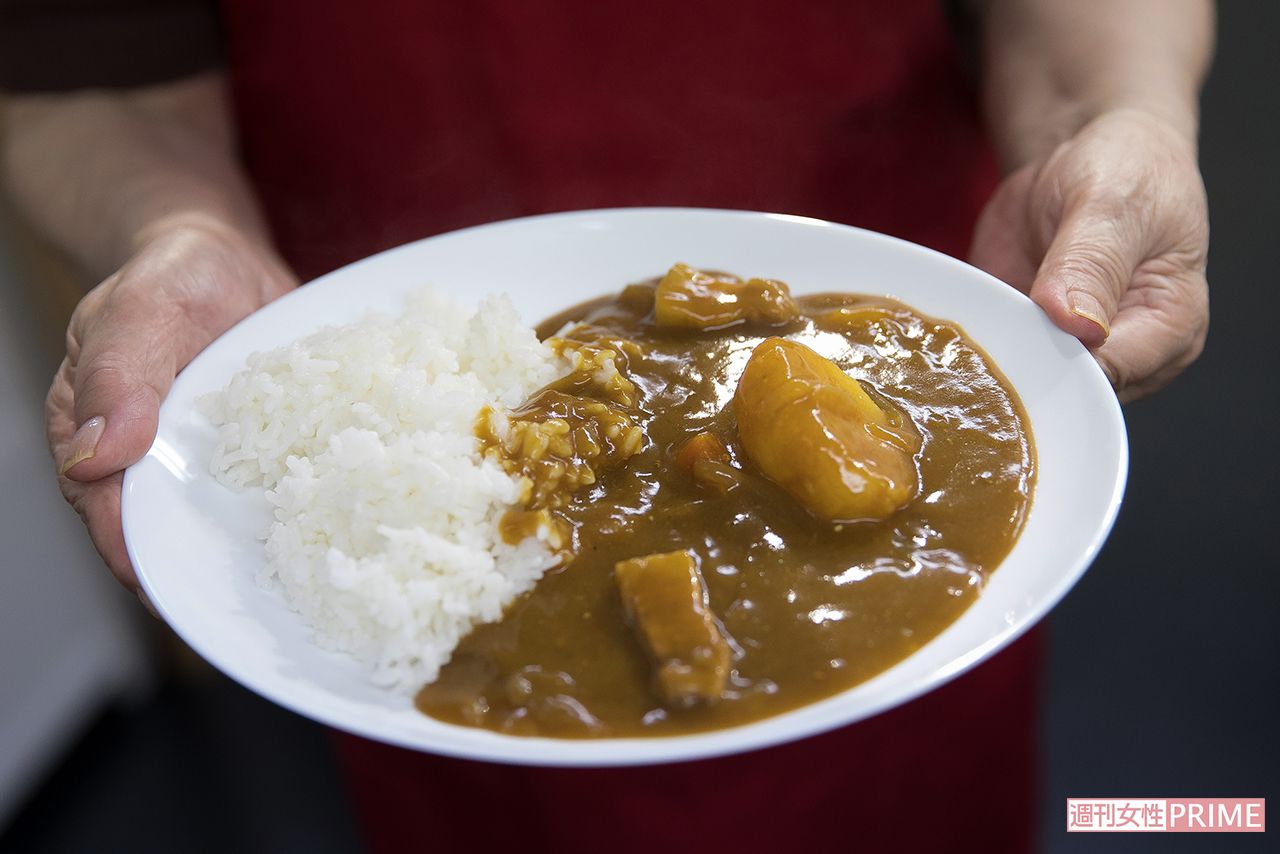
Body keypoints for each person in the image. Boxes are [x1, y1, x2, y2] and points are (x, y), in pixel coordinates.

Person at [1, 1, 1212, 851]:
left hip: (901, 240)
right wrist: (178, 232)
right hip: (379, 314)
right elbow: (87, 71)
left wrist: (1108, 115)